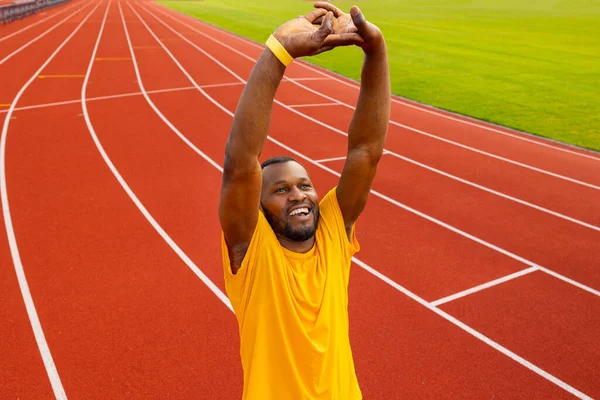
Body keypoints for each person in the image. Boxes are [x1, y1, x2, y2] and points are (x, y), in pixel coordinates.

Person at [219, 2, 390, 399]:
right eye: (280, 190)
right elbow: (240, 164)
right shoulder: (253, 252)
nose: (298, 195)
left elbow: (366, 150)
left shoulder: (332, 234)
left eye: (304, 185)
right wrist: (279, 51)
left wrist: (376, 49)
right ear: (257, 210)